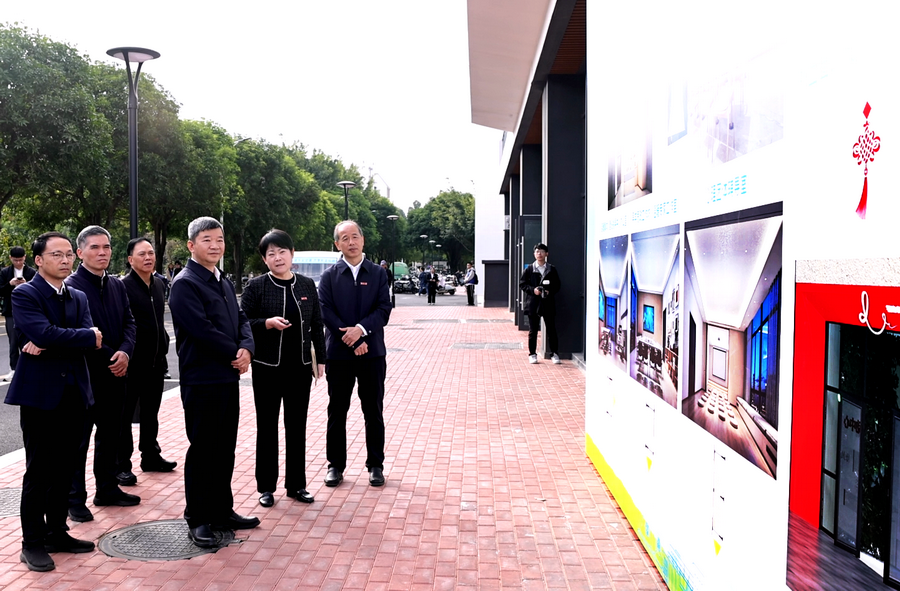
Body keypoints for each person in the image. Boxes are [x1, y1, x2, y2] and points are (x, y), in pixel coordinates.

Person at [4, 232, 101, 571]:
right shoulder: (25, 293)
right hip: (40, 396)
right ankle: (32, 543)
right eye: (56, 254)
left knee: (65, 468)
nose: (65, 260)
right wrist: (78, 337)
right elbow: (43, 332)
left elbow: (88, 340)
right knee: (39, 471)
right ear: (39, 260)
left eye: (68, 254)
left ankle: (57, 532)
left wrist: (60, 339)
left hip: (76, 393)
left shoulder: (78, 296)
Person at [168, 216, 258, 549]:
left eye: (219, 239)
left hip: (227, 376)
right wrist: (236, 351)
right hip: (202, 379)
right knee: (204, 449)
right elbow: (201, 330)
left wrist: (247, 347)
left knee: (224, 447)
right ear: (191, 245)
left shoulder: (222, 279)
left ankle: (222, 510)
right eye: (207, 240)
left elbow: (241, 318)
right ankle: (198, 518)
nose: (215, 245)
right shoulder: (186, 283)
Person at [241, 230, 326, 508]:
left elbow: (316, 324)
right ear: (264, 259)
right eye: (271, 253)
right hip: (267, 368)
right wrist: (266, 323)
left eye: (282, 251)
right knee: (267, 427)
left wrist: (321, 359)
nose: (278, 257)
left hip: (299, 368)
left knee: (296, 426)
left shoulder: (306, 285)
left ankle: (296, 485)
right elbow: (243, 323)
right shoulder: (256, 286)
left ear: (292, 254)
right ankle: (266, 487)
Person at [66, 226, 139, 522]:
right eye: (94, 247)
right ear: (80, 252)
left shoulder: (116, 285)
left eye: (106, 247)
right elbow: (80, 332)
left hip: (116, 375)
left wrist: (125, 352)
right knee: (78, 441)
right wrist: (113, 355)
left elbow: (130, 323)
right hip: (85, 376)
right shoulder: (71, 286)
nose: (102, 253)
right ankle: (74, 499)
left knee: (111, 435)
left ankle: (107, 489)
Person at [318, 221, 392, 488]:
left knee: (373, 410)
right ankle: (335, 465)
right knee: (337, 410)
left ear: (363, 239)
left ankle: (376, 465)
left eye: (355, 236)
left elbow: (383, 309)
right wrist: (351, 340)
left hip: (372, 353)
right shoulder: (329, 276)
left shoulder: (378, 273)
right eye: (345, 238)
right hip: (339, 354)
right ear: (337, 244)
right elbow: (325, 312)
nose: (351, 242)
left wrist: (360, 331)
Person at [119, 238, 176, 482]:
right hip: (132, 363)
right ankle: (122, 464)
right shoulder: (122, 287)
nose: (148, 258)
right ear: (130, 259)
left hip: (156, 361)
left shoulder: (159, 284)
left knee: (151, 413)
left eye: (151, 253)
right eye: (141, 254)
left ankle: (150, 456)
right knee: (125, 416)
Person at [519, 243, 561, 365]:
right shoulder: (529, 269)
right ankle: (532, 354)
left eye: (542, 251)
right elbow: (522, 284)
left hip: (548, 303)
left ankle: (554, 353)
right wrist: (533, 290)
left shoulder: (551, 269)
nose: (539, 254)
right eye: (537, 251)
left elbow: (557, 285)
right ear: (534, 254)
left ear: (546, 254)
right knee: (533, 331)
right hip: (533, 303)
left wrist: (549, 291)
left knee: (551, 329)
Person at [0, 246, 37, 381]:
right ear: (11, 258)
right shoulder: (5, 273)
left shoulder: (31, 272)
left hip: (28, 311)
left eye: (21, 260)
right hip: (11, 311)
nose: (18, 263)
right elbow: (1, 291)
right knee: (13, 340)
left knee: (28, 340)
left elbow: (37, 290)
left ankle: (29, 367)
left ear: (25, 258)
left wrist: (26, 284)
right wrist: (10, 284)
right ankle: (14, 368)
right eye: (15, 260)